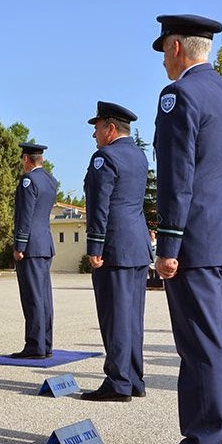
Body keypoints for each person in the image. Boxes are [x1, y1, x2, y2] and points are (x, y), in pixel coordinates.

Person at [146, 14, 222, 444]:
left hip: (195, 240)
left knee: (201, 346)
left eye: (163, 53)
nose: (164, 64)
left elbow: (177, 177)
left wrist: (168, 244)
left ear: (175, 48)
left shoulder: (179, 96)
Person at [81, 101, 152, 401]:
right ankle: (134, 378)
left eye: (97, 128)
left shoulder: (104, 158)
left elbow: (100, 205)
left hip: (114, 246)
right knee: (133, 317)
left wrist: (95, 245)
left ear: (110, 128)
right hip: (136, 246)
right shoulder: (138, 157)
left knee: (114, 317)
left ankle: (118, 382)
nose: (94, 135)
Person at [11, 142, 58, 359]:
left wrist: (19, 245)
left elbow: (25, 215)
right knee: (44, 297)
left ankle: (35, 345)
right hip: (44, 243)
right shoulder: (49, 180)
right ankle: (45, 343)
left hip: (30, 245)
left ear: (26, 159)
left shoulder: (28, 181)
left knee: (32, 297)